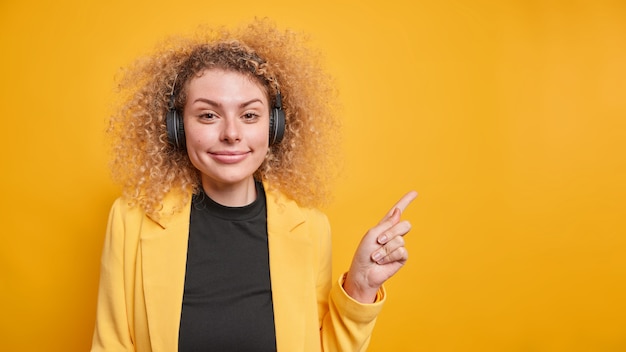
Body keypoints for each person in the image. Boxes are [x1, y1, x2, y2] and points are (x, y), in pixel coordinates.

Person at [91, 19, 417, 352]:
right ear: (177, 127)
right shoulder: (132, 219)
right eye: (208, 115)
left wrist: (359, 288)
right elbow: (111, 344)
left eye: (249, 115)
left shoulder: (310, 227)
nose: (231, 133)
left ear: (274, 127)